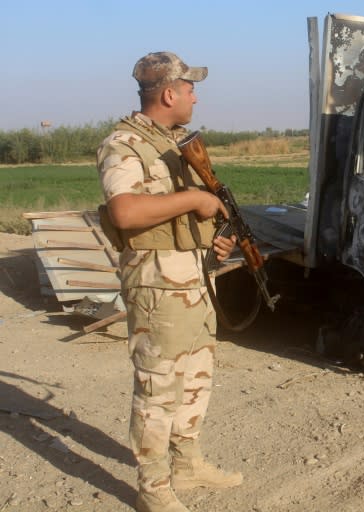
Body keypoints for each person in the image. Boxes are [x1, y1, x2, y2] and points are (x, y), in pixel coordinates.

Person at [97, 51, 242, 512]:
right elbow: (125, 211)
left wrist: (219, 238)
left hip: (194, 277)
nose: (195, 97)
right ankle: (153, 489)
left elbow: (202, 209)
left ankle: (186, 462)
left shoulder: (176, 142)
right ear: (168, 93)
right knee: (158, 387)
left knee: (196, 376)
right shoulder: (123, 144)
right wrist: (192, 199)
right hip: (158, 284)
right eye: (190, 88)